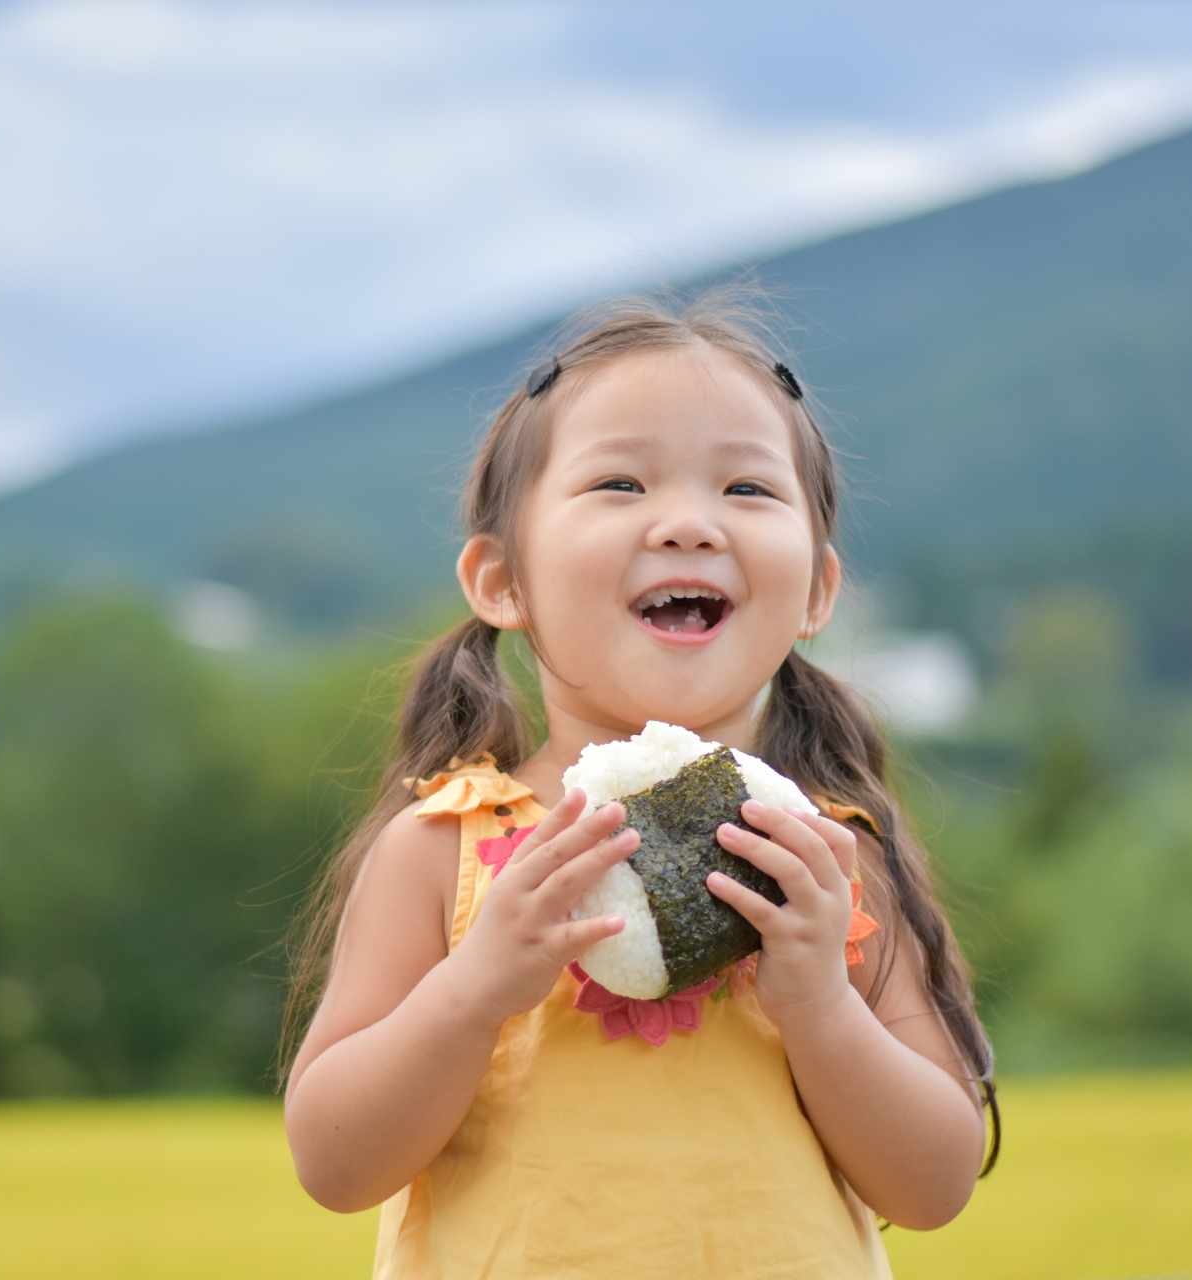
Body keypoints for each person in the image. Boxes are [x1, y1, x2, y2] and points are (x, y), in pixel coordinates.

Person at [282, 290, 997, 1278]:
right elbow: (332, 1158)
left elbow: (934, 1184)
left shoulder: (829, 857)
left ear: (820, 590)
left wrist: (821, 1003)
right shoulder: (444, 845)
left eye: (747, 489)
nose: (689, 523)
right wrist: (472, 991)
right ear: (502, 580)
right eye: (620, 482)